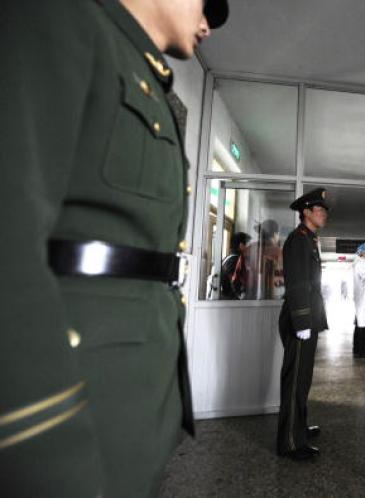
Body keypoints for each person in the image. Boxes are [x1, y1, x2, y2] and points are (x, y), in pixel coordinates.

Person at [0, 1, 229, 496]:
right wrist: (42, 444)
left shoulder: (139, 68)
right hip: (71, 402)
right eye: (206, 4)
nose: (209, 23)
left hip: (132, 402)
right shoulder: (59, 20)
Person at [277, 188, 330, 461]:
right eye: (318, 209)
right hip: (300, 318)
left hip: (307, 317)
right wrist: (301, 319)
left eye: (324, 210)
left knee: (303, 379)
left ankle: (299, 428)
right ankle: (289, 442)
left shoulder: (309, 239)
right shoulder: (298, 240)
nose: (324, 213)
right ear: (305, 212)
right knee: (295, 380)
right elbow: (297, 281)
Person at [245, 220, 283, 300]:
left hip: (249, 294)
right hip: (269, 295)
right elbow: (280, 277)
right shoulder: (277, 252)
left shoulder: (249, 248)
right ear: (275, 234)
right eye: (278, 233)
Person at [221, 231, 250, 299]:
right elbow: (234, 283)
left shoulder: (228, 257)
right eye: (247, 245)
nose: (248, 248)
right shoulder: (235, 260)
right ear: (241, 245)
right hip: (230, 302)